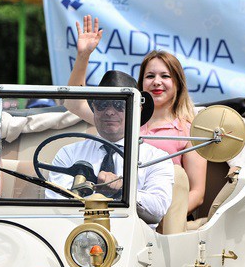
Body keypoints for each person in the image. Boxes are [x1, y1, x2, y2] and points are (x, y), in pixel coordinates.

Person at [66, 16, 206, 215]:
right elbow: (73, 103)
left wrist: (164, 221)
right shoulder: (119, 118)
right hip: (111, 211)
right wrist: (83, 56)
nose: (157, 82)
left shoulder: (189, 130)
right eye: (150, 76)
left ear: (178, 84)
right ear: (140, 86)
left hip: (159, 220)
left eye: (165, 76)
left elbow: (197, 192)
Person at [49, 70, 174, 228]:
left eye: (118, 104)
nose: (109, 111)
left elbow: (158, 209)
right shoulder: (69, 154)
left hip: (135, 241)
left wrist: (123, 189)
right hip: (76, 237)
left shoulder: (156, 158)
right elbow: (56, 207)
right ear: (93, 107)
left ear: (137, 109)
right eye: (102, 104)